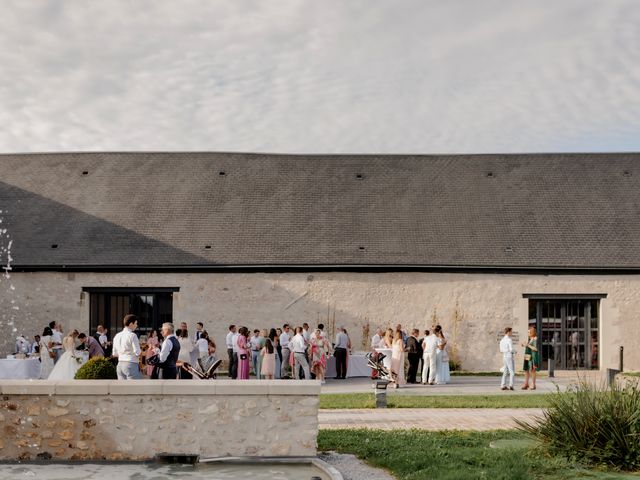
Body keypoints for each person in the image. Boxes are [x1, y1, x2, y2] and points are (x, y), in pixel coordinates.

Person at [112, 315, 142, 380]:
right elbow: (137, 352)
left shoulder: (117, 335)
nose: (136, 325)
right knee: (135, 388)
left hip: (120, 364)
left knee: (123, 389)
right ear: (131, 324)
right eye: (136, 323)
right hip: (131, 364)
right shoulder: (132, 335)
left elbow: (114, 354)